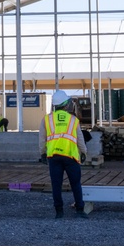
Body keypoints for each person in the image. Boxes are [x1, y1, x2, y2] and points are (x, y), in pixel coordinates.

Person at [39, 90, 88, 219]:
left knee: (56, 185)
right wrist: (83, 152)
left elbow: (42, 139)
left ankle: (59, 212)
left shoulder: (47, 119)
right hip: (70, 157)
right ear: (66, 104)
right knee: (76, 184)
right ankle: (80, 210)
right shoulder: (73, 120)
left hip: (54, 157)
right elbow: (80, 139)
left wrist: (43, 153)